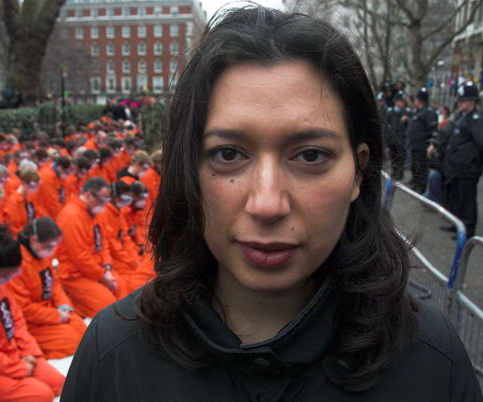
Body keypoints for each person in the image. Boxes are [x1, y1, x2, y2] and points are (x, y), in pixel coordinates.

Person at [62, 8, 482, 401]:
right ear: (189, 166)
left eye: (311, 156)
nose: (266, 204)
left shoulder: (433, 361)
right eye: (229, 154)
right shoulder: (111, 357)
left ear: (358, 171)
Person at [0, 224, 64, 401]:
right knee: (42, 395)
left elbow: (16, 318)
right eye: (7, 277)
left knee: (59, 383)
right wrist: (17, 367)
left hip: (13, 353)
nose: (7, 281)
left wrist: (28, 352)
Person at [7, 217, 86, 359]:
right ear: (33, 240)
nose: (52, 250)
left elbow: (54, 282)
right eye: (49, 246)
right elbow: (24, 309)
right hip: (32, 322)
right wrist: (56, 316)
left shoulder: (41, 252)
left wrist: (64, 305)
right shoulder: (17, 263)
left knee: (84, 330)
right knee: (73, 341)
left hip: (51, 310)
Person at [56, 177, 128, 318]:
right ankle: (76, 304)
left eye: (107, 201)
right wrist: (102, 276)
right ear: (88, 195)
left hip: (97, 269)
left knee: (122, 288)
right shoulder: (72, 216)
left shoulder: (95, 211)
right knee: (108, 306)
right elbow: (79, 258)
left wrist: (107, 268)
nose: (104, 205)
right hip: (75, 274)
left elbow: (103, 243)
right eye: (102, 200)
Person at [442, 81, 483, 239]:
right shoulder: (463, 118)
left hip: (468, 169)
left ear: (472, 102)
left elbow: (480, 143)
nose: (459, 103)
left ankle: (467, 230)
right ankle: (457, 224)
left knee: (467, 201)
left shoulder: (476, 119)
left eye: (462, 101)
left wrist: (473, 162)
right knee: (457, 199)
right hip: (457, 168)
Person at [407, 87, 438, 193]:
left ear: (419, 100)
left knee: (422, 167)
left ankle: (421, 187)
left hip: (422, 146)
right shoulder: (418, 111)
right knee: (415, 165)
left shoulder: (428, 112)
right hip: (415, 145)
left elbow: (432, 130)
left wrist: (430, 144)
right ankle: (416, 183)